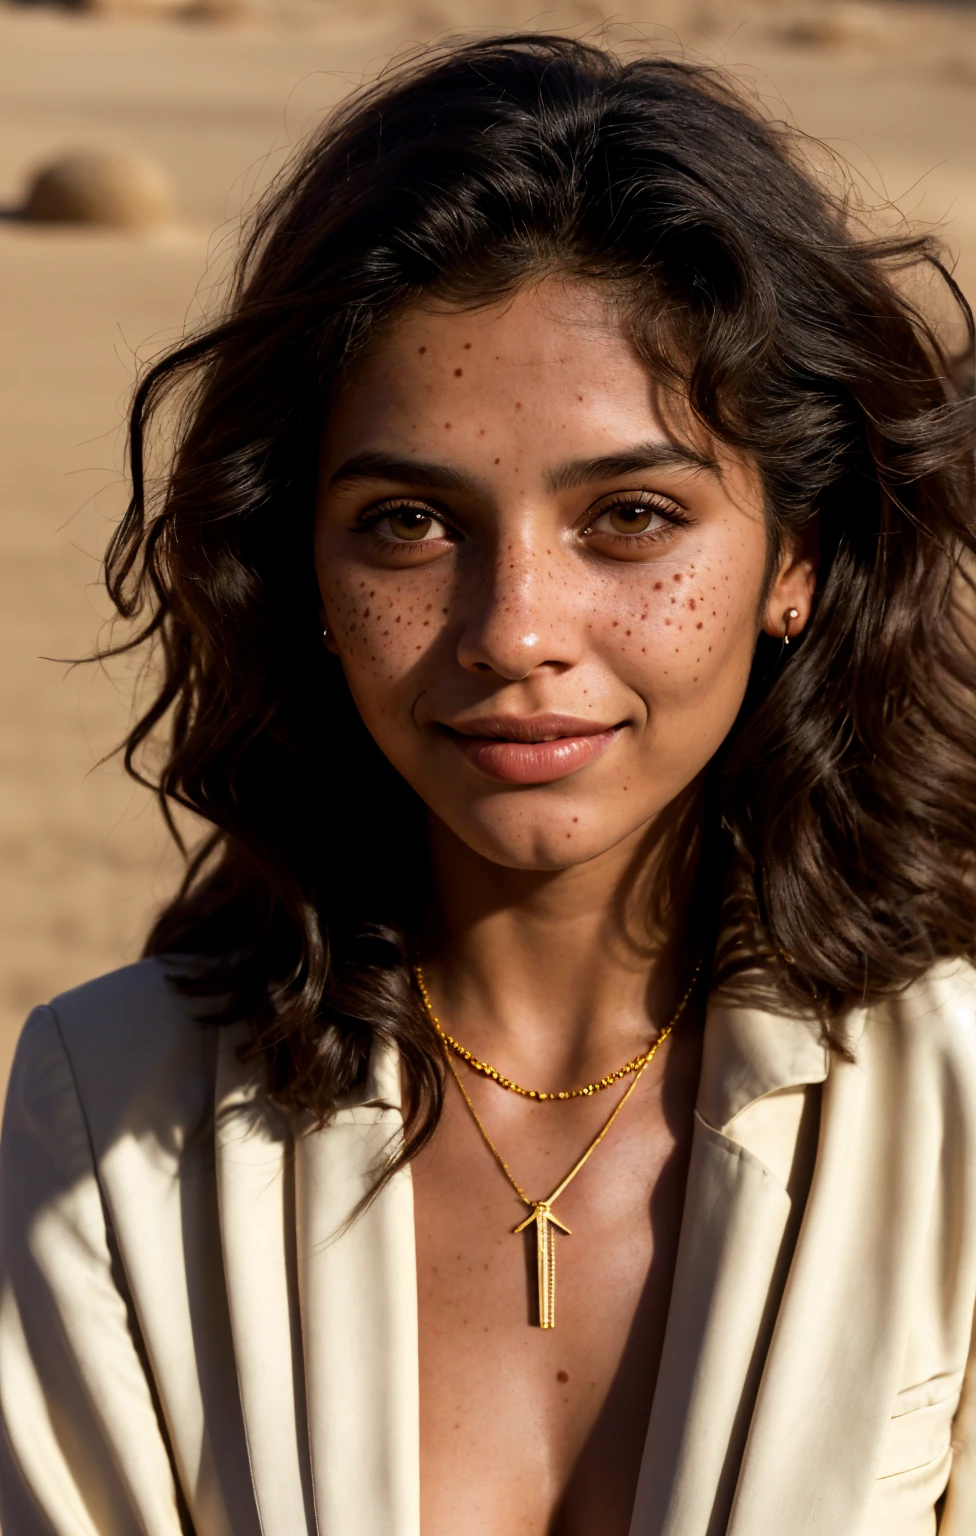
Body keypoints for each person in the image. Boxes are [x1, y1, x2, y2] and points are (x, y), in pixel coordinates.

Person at [2, 32, 975, 1536]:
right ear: (301, 573)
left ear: (797, 556)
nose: (514, 629)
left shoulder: (959, 1105)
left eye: (633, 516)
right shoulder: (111, 1110)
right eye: (406, 521)